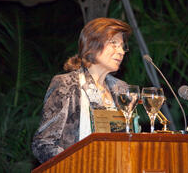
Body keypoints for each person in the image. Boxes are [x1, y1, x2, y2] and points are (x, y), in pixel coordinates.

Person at [32, 17, 132, 163]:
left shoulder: (122, 89)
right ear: (92, 44)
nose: (121, 51)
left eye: (123, 46)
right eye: (114, 43)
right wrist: (79, 163)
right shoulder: (67, 85)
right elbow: (43, 144)